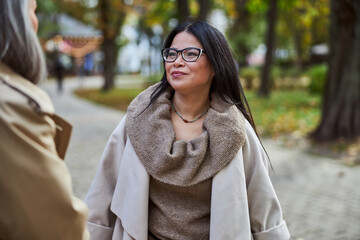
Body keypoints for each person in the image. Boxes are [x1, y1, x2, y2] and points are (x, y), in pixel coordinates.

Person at [85, 20, 290, 240]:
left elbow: (262, 205)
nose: (177, 62)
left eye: (190, 54)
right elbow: (102, 192)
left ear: (215, 65)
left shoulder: (234, 130)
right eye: (171, 54)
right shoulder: (138, 120)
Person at [0, 0, 89, 239]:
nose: (36, 22)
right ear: (14, 19)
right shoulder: (14, 107)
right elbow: (58, 227)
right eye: (33, 10)